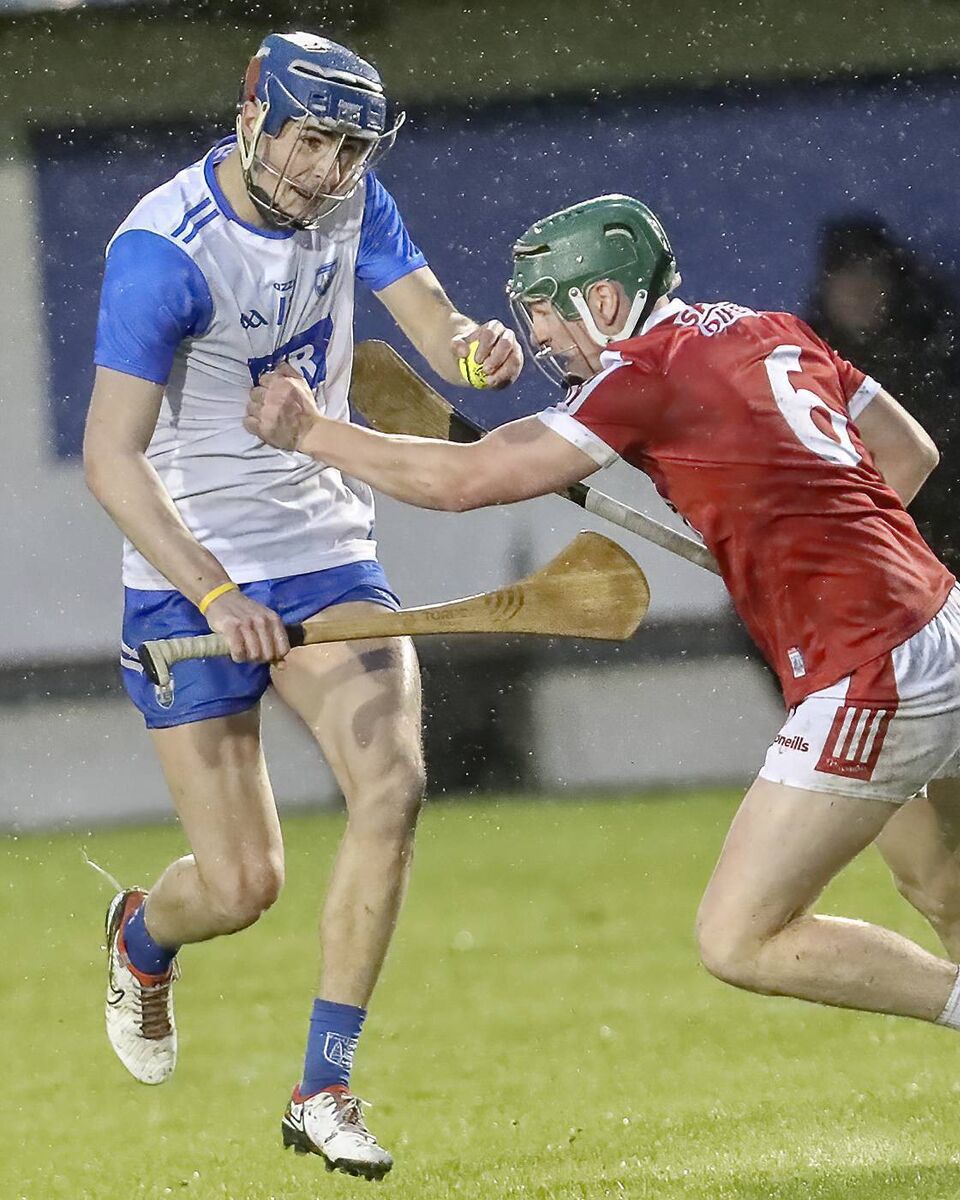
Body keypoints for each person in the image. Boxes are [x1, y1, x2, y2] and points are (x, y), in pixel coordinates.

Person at [244, 193, 960, 1157]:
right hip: (941, 620)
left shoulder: (638, 375)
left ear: (605, 300)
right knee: (946, 883)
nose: (543, 338)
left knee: (740, 936)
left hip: (870, 666)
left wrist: (312, 433)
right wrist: (794, 537)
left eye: (547, 312)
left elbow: (463, 481)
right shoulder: (764, 327)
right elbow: (908, 452)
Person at [83, 31, 521, 1181]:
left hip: (326, 547)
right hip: (190, 570)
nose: (329, 169)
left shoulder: (352, 201)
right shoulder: (161, 256)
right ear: (254, 117)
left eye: (348, 148)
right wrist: (216, 592)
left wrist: (479, 355)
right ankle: (142, 936)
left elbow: (434, 329)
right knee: (241, 887)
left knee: (394, 785)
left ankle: (323, 1088)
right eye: (312, 139)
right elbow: (110, 463)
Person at [806, 216, 960, 590]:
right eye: (847, 277)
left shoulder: (937, 357)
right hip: (825, 561)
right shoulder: (800, 360)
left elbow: (951, 466)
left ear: (892, 284)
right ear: (826, 286)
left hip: (928, 549)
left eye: (872, 275)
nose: (861, 291)